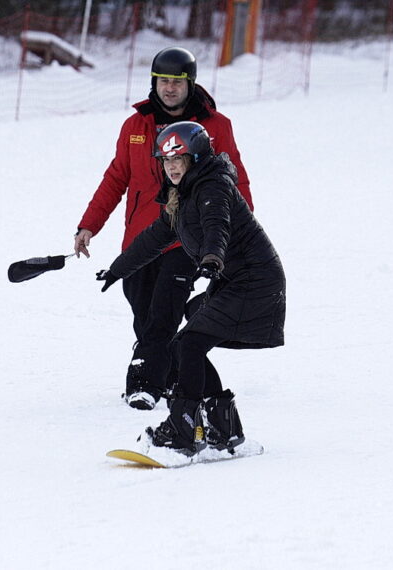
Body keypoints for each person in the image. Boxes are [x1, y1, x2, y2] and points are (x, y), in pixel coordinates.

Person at [73, 46, 253, 411]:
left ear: (191, 84)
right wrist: (89, 225)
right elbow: (116, 178)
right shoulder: (134, 127)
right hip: (140, 240)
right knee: (146, 316)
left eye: (177, 81)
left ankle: (144, 385)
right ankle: (186, 378)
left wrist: (238, 234)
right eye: (163, 81)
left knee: (163, 313)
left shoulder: (216, 127)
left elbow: (237, 182)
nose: (169, 88)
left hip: (186, 239)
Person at [96, 121, 284, 457]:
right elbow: (153, 238)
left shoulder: (212, 188)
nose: (171, 167)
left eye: (178, 159)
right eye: (166, 161)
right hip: (236, 281)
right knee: (188, 337)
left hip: (254, 282)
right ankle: (223, 429)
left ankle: (183, 430)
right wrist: (118, 269)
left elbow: (217, 227)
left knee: (187, 344)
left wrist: (212, 259)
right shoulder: (181, 197)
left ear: (195, 158)